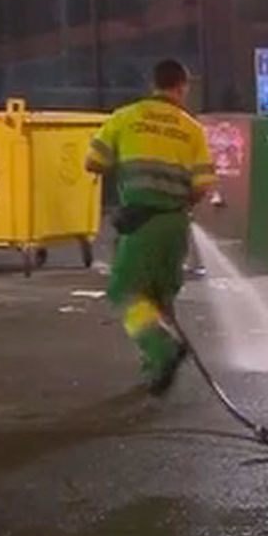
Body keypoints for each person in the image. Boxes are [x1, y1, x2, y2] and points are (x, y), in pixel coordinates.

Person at [85, 59, 217, 395]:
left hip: (140, 222)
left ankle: (163, 349)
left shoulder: (125, 117)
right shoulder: (192, 128)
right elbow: (202, 185)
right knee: (161, 297)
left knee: (126, 292)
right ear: (182, 86)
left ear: (153, 84)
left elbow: (93, 162)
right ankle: (156, 370)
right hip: (174, 225)